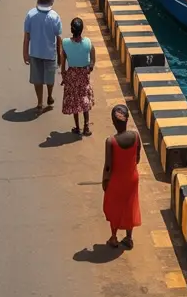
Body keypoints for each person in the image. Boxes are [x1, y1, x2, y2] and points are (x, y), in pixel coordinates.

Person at [102, 104, 141, 249]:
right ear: (127, 119)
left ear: (113, 121)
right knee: (130, 205)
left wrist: (105, 181)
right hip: (132, 178)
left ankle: (114, 237)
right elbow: (138, 158)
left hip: (116, 180)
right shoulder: (136, 136)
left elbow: (108, 166)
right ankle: (129, 238)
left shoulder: (110, 141)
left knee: (115, 206)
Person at [23, 0, 62, 112]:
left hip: (35, 53)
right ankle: (49, 96)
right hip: (50, 54)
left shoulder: (30, 15)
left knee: (37, 80)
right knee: (50, 79)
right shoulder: (54, 17)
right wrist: (60, 56)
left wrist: (25, 53)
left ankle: (40, 102)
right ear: (51, 1)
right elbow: (58, 38)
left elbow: (27, 36)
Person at [60, 17, 96, 135]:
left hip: (72, 74)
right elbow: (93, 56)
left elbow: (63, 60)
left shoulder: (65, 43)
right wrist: (90, 68)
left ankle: (77, 127)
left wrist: (64, 75)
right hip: (84, 75)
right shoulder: (88, 42)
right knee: (84, 99)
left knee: (74, 100)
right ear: (82, 30)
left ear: (71, 30)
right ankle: (86, 127)